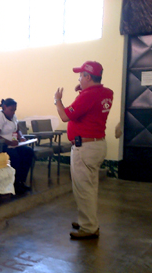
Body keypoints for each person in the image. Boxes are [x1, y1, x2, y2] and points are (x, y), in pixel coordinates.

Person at [54, 60, 114, 239]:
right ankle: (87, 221)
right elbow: (91, 105)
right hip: (96, 145)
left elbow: (65, 116)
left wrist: (57, 100)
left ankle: (88, 227)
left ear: (88, 77)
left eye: (81, 76)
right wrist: (82, 89)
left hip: (85, 148)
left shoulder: (87, 96)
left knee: (83, 188)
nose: (79, 78)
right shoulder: (106, 93)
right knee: (89, 187)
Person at [0, 98, 34, 193]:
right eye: (11, 110)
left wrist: (21, 138)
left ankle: (21, 181)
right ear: (4, 107)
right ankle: (13, 184)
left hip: (10, 145)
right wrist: (10, 142)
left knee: (28, 152)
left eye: (15, 110)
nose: (13, 112)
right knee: (15, 157)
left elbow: (16, 130)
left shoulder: (13, 116)